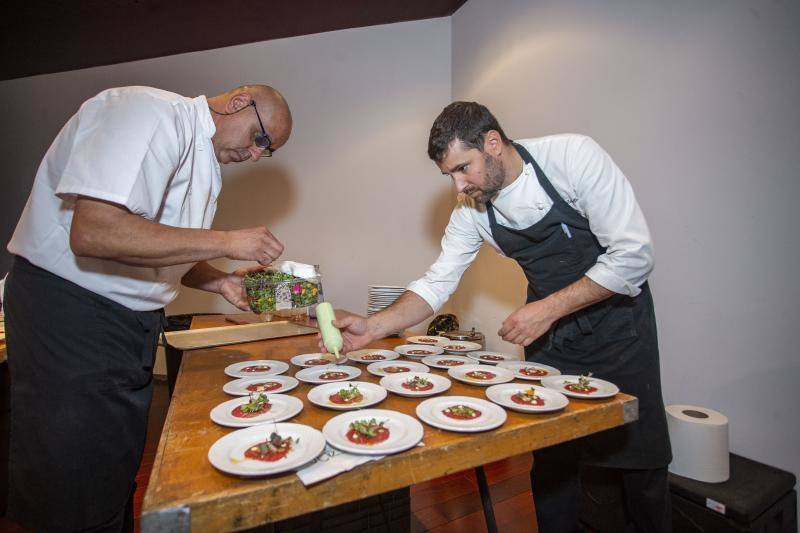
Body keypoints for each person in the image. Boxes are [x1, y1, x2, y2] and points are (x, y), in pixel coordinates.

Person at [332, 102, 672, 532]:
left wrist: (547, 309)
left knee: (638, 459)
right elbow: (438, 282)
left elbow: (633, 256)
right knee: (553, 457)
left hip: (620, 327)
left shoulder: (571, 158)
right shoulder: (471, 211)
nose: (458, 184)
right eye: (449, 175)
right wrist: (375, 326)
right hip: (551, 337)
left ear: (493, 142)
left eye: (463, 167)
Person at [4, 84, 291, 532]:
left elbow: (153, 245)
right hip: (74, 314)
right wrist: (230, 241)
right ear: (239, 102)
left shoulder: (200, 155)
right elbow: (96, 232)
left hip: (125, 323)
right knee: (72, 484)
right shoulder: (150, 112)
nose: (256, 155)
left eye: (266, 151)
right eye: (259, 138)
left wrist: (219, 281)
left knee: (110, 473)